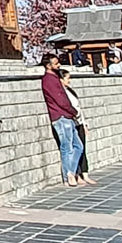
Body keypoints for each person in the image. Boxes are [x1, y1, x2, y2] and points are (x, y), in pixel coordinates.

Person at [41, 54, 85, 187]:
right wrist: (72, 110)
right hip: (60, 117)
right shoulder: (48, 80)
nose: (58, 65)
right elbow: (60, 99)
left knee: (78, 146)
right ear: (48, 66)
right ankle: (68, 176)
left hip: (67, 116)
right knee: (67, 147)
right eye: (55, 63)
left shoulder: (54, 78)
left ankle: (71, 171)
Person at [57, 68, 97, 185]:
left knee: (82, 148)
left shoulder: (70, 91)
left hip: (79, 122)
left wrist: (84, 123)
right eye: (67, 78)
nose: (69, 80)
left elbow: (79, 108)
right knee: (74, 148)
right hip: (72, 122)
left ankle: (84, 174)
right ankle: (75, 174)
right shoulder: (62, 94)